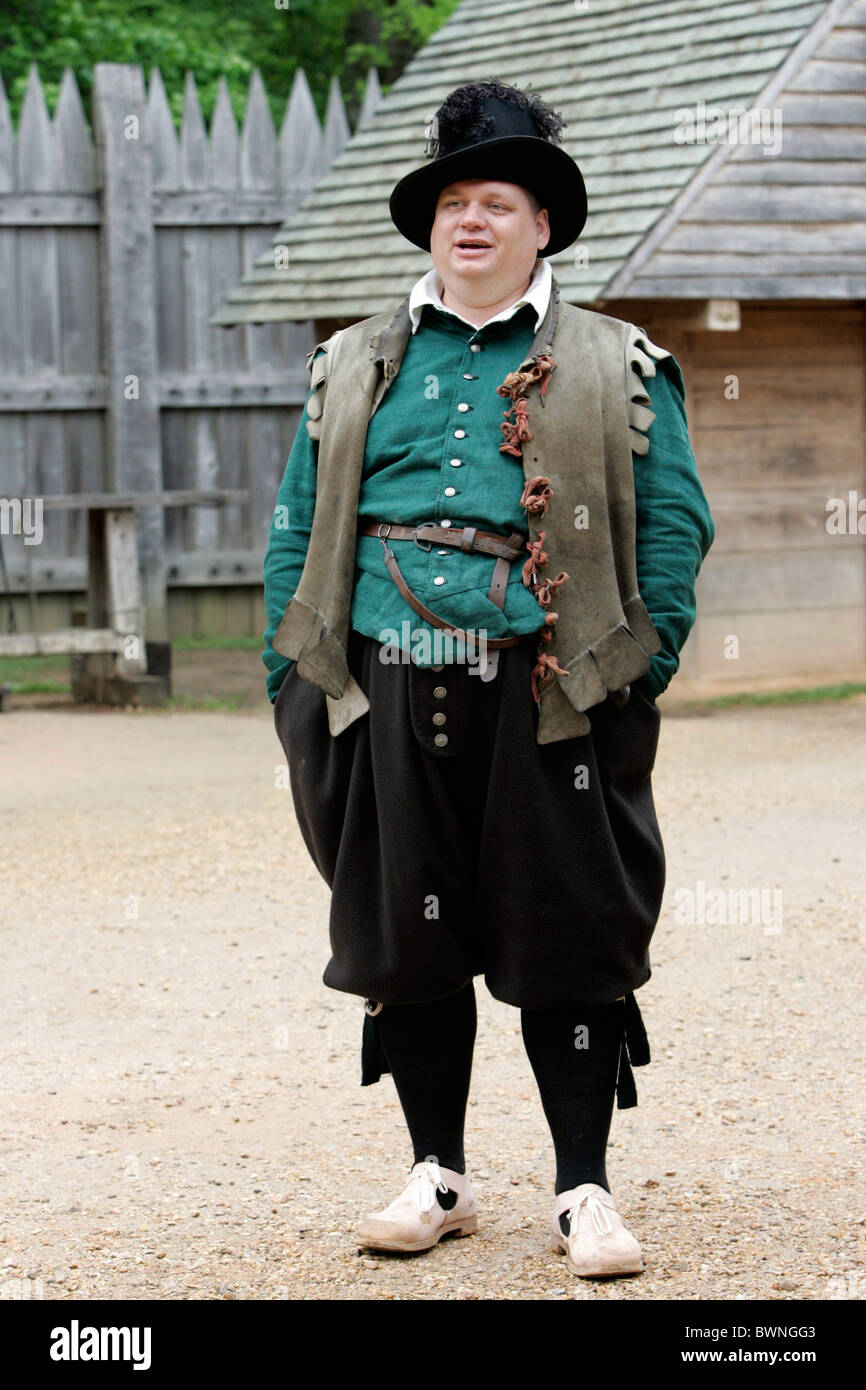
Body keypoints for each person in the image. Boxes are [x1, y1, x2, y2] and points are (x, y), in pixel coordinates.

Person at [263, 78, 715, 1279]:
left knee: (564, 931)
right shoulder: (352, 363)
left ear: (540, 226)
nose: (470, 220)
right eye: (452, 202)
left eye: (495, 202)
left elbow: (671, 528)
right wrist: (291, 679)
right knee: (406, 936)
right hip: (385, 683)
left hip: (548, 690)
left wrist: (636, 670)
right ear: (429, 227)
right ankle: (438, 1173)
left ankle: (581, 1190)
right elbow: (297, 525)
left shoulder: (616, 362)